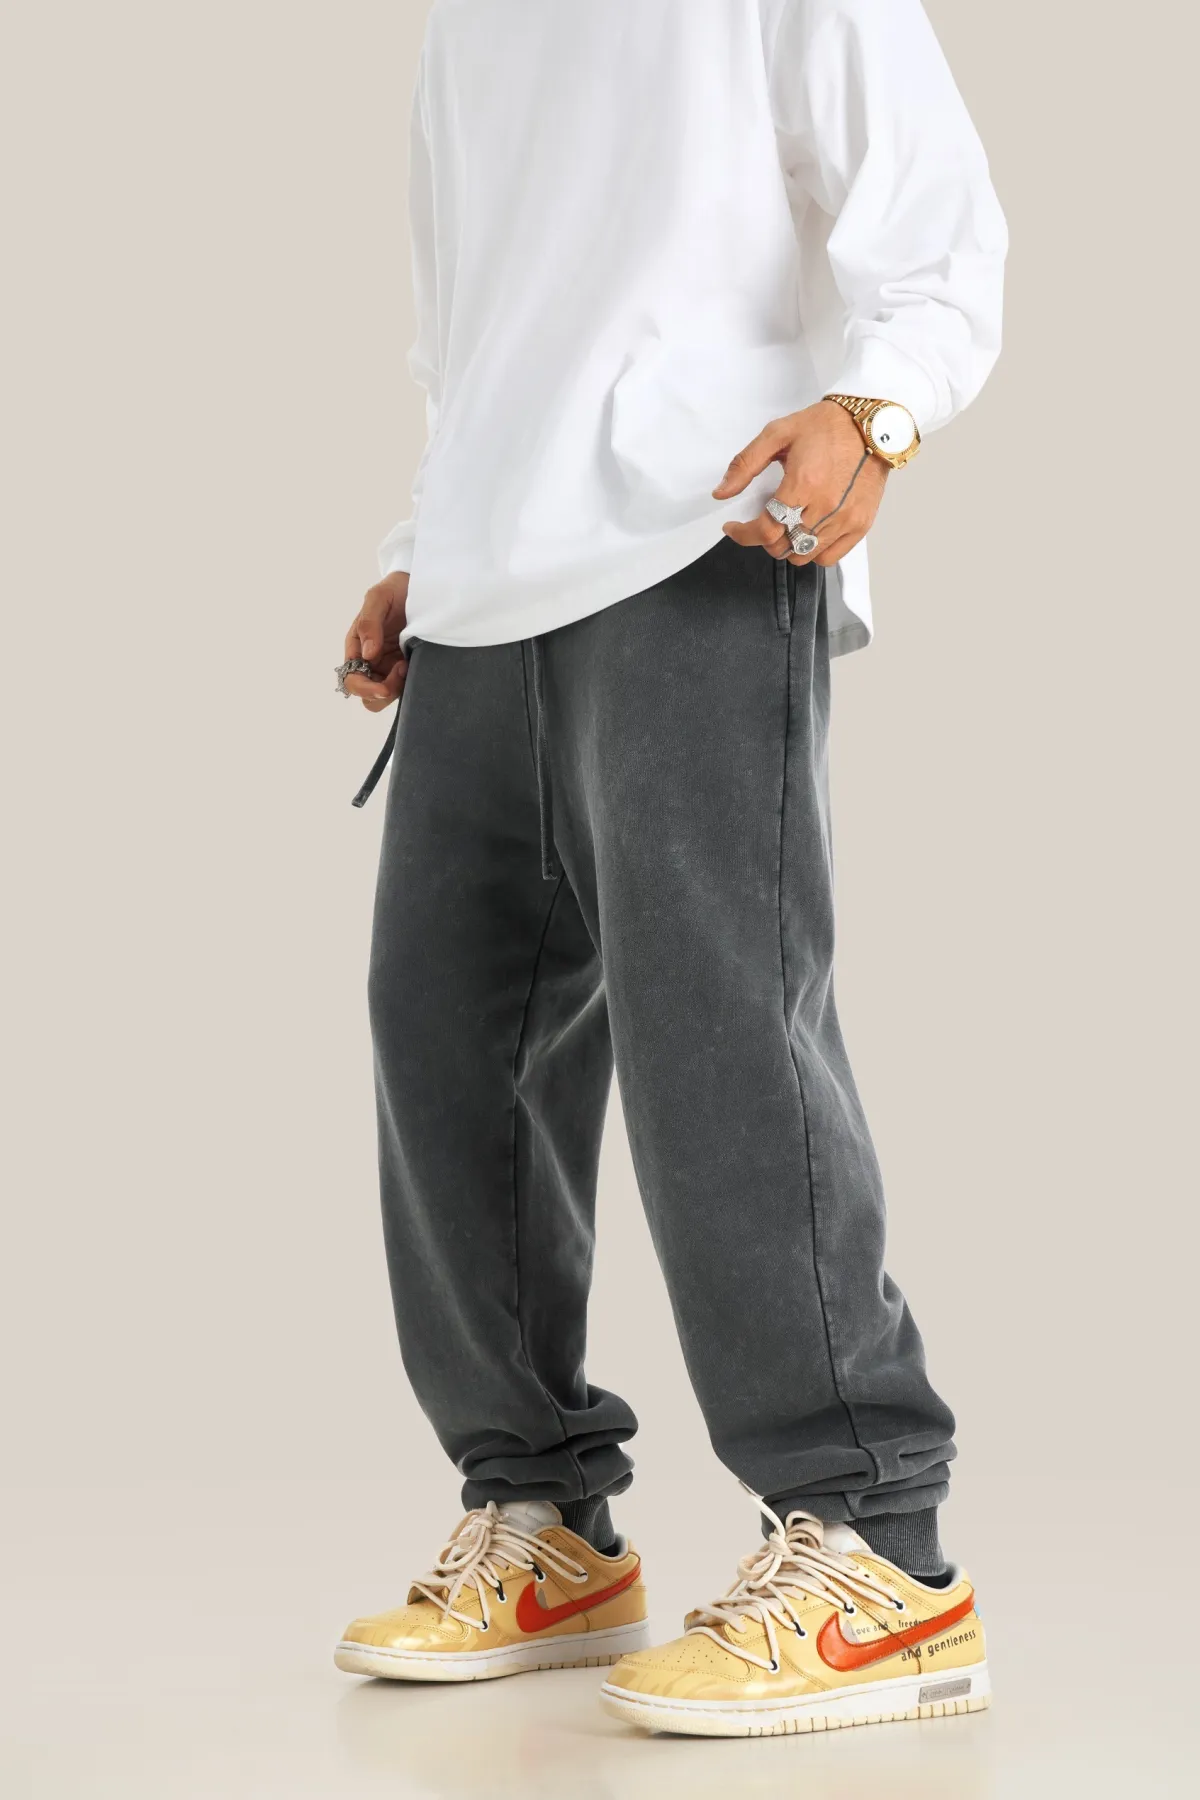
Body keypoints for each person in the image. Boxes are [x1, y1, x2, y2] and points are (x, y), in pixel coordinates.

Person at [332, 0, 1006, 1739]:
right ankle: (544, 1510)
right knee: (444, 1031)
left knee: (720, 1031)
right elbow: (473, 328)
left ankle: (879, 1548)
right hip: (489, 577)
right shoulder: (466, 27)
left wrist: (878, 409)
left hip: (698, 529)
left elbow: (936, 213)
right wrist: (422, 541)